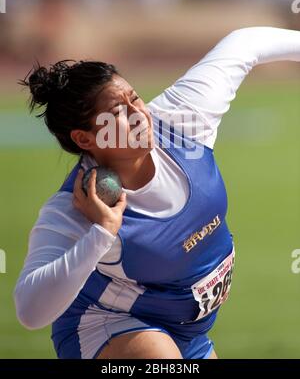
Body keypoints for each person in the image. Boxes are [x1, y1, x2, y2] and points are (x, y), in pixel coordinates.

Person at [14, 27, 300, 359]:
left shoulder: (181, 119)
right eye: (118, 113)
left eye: (134, 98)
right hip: (107, 326)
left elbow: (247, 44)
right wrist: (101, 233)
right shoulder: (76, 207)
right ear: (84, 139)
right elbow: (30, 311)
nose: (139, 114)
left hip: (188, 331)